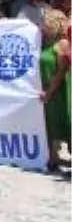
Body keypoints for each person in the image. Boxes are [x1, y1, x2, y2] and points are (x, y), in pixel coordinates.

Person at [40, 10, 72, 171]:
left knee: (65, 122)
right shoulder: (45, 43)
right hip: (48, 91)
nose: (42, 26)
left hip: (61, 91)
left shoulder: (62, 44)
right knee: (50, 125)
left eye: (45, 22)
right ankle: (53, 158)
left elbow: (62, 71)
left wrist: (49, 92)